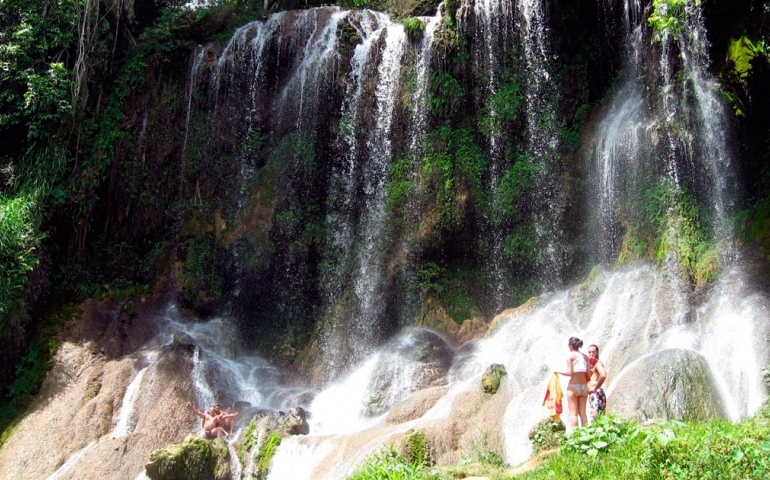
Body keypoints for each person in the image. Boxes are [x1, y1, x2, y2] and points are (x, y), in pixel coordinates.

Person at [554, 337, 592, 428]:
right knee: (583, 414)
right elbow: (589, 374)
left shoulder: (570, 356)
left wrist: (557, 371)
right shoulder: (586, 357)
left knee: (574, 414)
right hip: (584, 387)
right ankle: (586, 434)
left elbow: (570, 373)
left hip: (573, 387)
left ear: (570, 345)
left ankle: (575, 437)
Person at [587, 344, 608, 423]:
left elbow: (603, 375)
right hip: (594, 393)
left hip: (596, 392)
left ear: (597, 352)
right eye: (589, 352)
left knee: (595, 416)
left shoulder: (597, 363)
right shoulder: (591, 363)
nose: (591, 354)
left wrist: (595, 388)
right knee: (597, 415)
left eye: (593, 352)